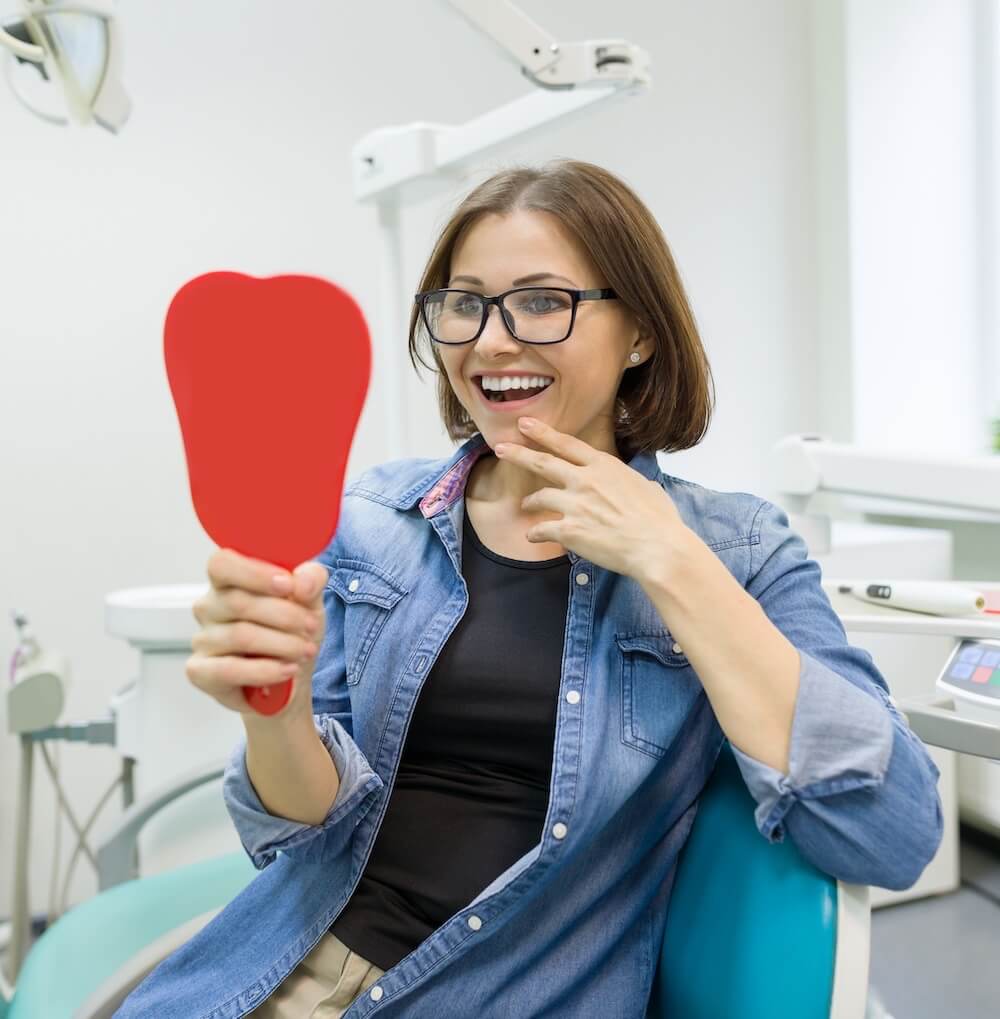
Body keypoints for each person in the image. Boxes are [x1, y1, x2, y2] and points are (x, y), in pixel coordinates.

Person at [116, 160, 944, 1019]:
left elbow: (893, 830)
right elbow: (299, 832)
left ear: (640, 333)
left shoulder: (738, 550)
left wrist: (670, 556)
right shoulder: (369, 522)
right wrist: (273, 712)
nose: (491, 341)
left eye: (544, 301)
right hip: (276, 973)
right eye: (463, 303)